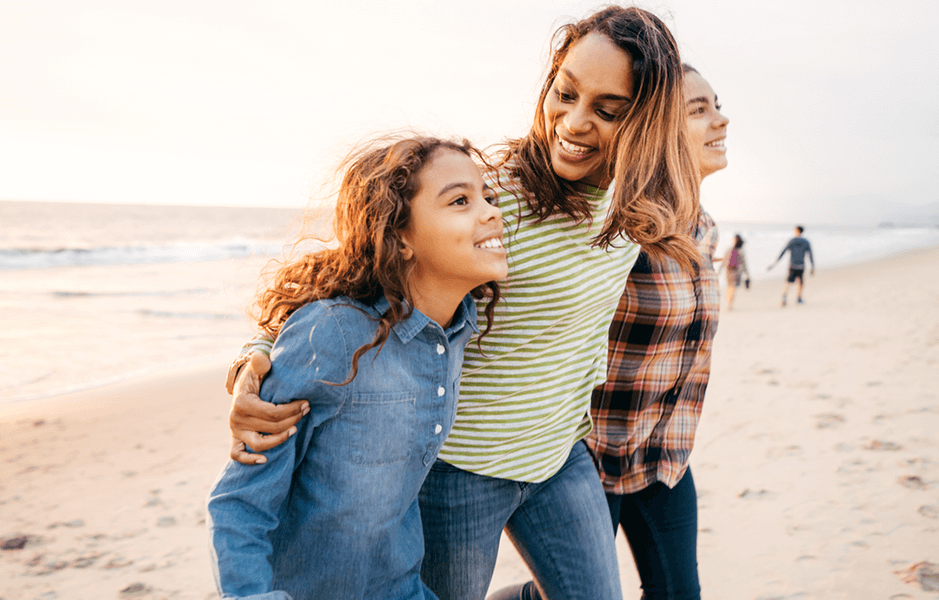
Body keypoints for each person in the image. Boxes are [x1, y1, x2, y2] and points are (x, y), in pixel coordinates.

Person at [225, 7, 700, 600]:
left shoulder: (637, 206)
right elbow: (352, 271)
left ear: (647, 125)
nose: (574, 123)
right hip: (459, 470)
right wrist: (255, 358)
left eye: (607, 111)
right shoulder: (493, 199)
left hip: (562, 457)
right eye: (565, 93)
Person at [206, 136, 508, 600]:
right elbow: (239, 504)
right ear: (401, 237)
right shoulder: (335, 334)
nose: (491, 211)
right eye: (461, 201)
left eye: (488, 196)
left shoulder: (457, 328)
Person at [491, 63, 728, 600]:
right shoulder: (613, 224)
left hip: (662, 451)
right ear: (656, 130)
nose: (721, 119)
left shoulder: (703, 226)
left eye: (717, 104)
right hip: (591, 455)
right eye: (700, 109)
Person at [768, 225, 815, 306]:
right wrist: (812, 266)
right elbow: (810, 254)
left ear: (797, 230)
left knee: (788, 282)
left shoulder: (792, 241)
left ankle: (784, 296)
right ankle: (799, 298)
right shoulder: (806, 241)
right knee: (800, 282)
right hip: (801, 265)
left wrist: (776, 261)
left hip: (792, 265)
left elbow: (783, 251)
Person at [717, 234, 750, 310]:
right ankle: (730, 304)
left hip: (728, 271)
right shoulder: (740, 251)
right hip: (736, 272)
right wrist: (747, 274)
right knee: (733, 287)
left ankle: (728, 302)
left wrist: (720, 269)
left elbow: (724, 260)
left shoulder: (729, 249)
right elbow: (744, 263)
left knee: (729, 287)